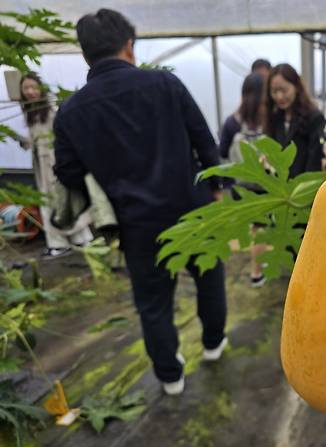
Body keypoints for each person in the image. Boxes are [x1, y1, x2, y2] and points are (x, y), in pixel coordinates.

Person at [53, 8, 227, 396]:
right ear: (129, 46)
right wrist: (216, 190)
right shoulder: (165, 85)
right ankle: (214, 343)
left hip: (136, 223)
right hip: (192, 208)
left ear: (85, 56)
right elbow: (203, 140)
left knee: (152, 301)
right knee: (209, 278)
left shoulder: (70, 113)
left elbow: (66, 172)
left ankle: (170, 376)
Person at [19, 73, 93, 258]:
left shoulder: (51, 109)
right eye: (26, 88)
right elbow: (36, 138)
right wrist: (25, 141)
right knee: (55, 202)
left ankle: (65, 243)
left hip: (54, 162)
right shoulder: (32, 111)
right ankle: (79, 239)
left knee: (58, 201)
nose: (30, 91)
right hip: (42, 164)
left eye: (33, 87)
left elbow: (63, 135)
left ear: (41, 89)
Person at [218, 72, 267, 287]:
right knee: (261, 228)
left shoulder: (232, 121)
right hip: (265, 183)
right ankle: (257, 271)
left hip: (240, 184)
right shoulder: (269, 120)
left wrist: (224, 185)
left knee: (249, 229)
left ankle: (255, 268)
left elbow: (222, 153)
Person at [262, 63, 324, 179]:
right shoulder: (274, 118)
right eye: (274, 91)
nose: (279, 96)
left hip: (302, 189)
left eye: (284, 90)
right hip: (281, 187)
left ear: (296, 87)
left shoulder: (314, 117)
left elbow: (314, 161)